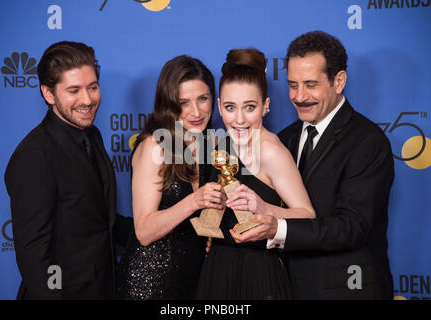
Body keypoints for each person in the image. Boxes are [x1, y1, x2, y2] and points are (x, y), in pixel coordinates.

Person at [232, 31, 395, 299]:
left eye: (310, 84)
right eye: (293, 85)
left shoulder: (368, 141)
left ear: (339, 81)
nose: (299, 96)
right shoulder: (285, 138)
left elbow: (351, 226)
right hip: (286, 288)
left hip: (347, 290)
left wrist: (278, 228)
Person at [4, 41, 133, 299]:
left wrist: (165, 227)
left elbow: (99, 221)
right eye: (74, 90)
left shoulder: (92, 135)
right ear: (49, 94)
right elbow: (34, 256)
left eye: (93, 87)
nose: (88, 100)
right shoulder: (34, 156)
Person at [196, 48, 315, 300]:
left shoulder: (271, 151)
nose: (239, 119)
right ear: (219, 106)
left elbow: (307, 216)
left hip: (259, 273)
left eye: (249, 107)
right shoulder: (219, 146)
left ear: (265, 106)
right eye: (230, 107)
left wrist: (264, 208)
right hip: (217, 269)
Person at [115, 55, 225, 299]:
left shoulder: (211, 144)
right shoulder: (154, 146)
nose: (196, 111)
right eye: (184, 102)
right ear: (168, 104)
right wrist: (195, 201)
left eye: (203, 99)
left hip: (192, 280)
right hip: (148, 284)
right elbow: (144, 231)